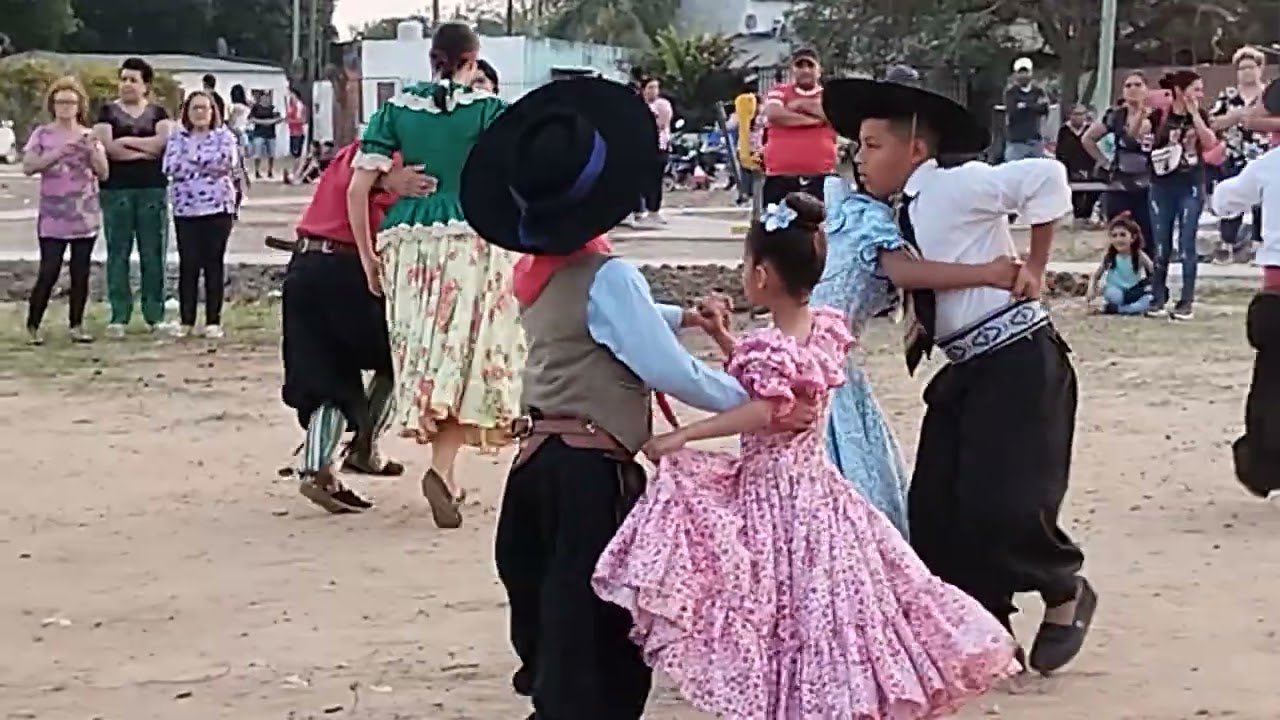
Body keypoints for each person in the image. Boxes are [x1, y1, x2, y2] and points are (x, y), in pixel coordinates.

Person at [465, 75, 823, 720]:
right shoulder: (609, 275)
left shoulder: (538, 273)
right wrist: (758, 397)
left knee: (548, 614)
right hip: (591, 474)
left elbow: (608, 320)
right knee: (593, 634)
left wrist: (684, 315)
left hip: (536, 464)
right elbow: (667, 369)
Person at [593, 193, 1019, 718]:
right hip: (816, 494)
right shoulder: (819, 328)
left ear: (763, 275)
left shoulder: (777, 343)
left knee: (782, 612)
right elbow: (771, 382)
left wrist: (687, 435)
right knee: (821, 611)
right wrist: (725, 337)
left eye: (746, 266)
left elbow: (769, 406)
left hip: (778, 501)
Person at [823, 74, 1097, 675]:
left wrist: (1037, 265)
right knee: (937, 508)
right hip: (967, 366)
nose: (860, 158)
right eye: (858, 146)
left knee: (1003, 502)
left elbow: (1047, 177)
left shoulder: (956, 185)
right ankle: (984, 628)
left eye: (872, 145)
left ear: (914, 149)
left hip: (1017, 359)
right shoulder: (895, 213)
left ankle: (1063, 589)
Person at [348, 22, 522, 529]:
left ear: (431, 58)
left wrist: (367, 257)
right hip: (473, 237)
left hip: (406, 243)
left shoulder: (395, 110)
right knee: (466, 357)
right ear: (473, 59)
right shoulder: (489, 110)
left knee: (428, 354)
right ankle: (444, 472)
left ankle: (446, 473)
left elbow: (355, 191)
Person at [278, 139, 434, 512]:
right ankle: (362, 443)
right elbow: (365, 186)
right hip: (347, 269)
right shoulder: (395, 157)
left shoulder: (359, 149)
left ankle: (318, 465)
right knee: (400, 352)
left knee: (325, 372)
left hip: (305, 265)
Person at [1211, 77, 1280, 499]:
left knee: (1271, 386)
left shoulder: (1269, 165)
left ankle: (1265, 463)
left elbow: (1224, 202)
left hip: (1277, 293)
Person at [22, 76, 108, 346]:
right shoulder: (42, 134)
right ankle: (33, 324)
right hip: (53, 214)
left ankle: (77, 325)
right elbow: (29, 166)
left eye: (71, 102)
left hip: (84, 213)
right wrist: (59, 152)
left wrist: (91, 150)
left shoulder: (88, 134)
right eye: (60, 102)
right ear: (53, 105)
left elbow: (104, 172)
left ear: (79, 105)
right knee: (49, 269)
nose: (65, 107)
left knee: (80, 271)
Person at [92, 56, 173, 338]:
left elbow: (162, 145)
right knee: (118, 252)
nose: (127, 84)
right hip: (117, 190)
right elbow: (108, 148)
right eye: (123, 79)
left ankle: (155, 314)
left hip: (152, 188)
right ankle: (119, 314)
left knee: (154, 251)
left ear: (145, 85)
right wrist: (144, 148)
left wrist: (127, 142)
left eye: (133, 80)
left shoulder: (158, 113)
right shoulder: (107, 112)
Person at [162, 91, 240, 339]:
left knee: (213, 264)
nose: (200, 113)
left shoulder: (225, 137)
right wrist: (204, 164)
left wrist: (192, 162)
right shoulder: (177, 136)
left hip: (217, 208)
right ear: (187, 111)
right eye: (195, 108)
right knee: (189, 264)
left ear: (213, 111)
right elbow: (170, 166)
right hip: (186, 209)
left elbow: (225, 163)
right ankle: (186, 320)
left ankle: (213, 320)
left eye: (204, 108)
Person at [1147, 69, 1220, 321]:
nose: (1200, 93)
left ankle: (1186, 301)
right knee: (1161, 244)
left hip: (1190, 184)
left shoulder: (1200, 115)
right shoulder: (1160, 115)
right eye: (1196, 88)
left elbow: (1210, 143)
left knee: (1187, 242)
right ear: (1180, 90)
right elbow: (1144, 139)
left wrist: (1194, 115)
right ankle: (1157, 297)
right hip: (1162, 185)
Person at [1083, 71, 1156, 257]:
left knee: (1148, 236)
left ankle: (1149, 279)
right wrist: (1104, 162)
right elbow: (1088, 139)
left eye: (1138, 85)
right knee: (1118, 235)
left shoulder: (1157, 116)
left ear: (1147, 90)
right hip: (1119, 183)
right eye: (1128, 85)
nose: (1132, 89)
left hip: (1148, 184)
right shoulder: (1115, 116)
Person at [1210, 46, 1269, 263]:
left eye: (1250, 67)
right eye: (1242, 68)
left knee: (1262, 201)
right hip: (1233, 154)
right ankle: (1227, 243)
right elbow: (1213, 123)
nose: (1246, 72)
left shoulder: (1268, 94)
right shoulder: (1228, 96)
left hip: (1262, 154)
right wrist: (1233, 117)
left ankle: (1257, 244)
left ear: (1260, 69)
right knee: (1231, 196)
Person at [761, 47, 837, 204]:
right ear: (792, 70)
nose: (805, 70)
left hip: (820, 177)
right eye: (799, 66)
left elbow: (835, 116)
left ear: (819, 70)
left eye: (810, 65)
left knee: (820, 226)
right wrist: (813, 120)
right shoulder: (779, 91)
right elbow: (774, 114)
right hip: (780, 176)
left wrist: (801, 104)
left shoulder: (829, 95)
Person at [1084, 213, 1155, 315]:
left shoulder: (1139, 255)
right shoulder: (1110, 256)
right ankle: (1126, 308)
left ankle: (1119, 309)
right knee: (1113, 295)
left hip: (1133, 292)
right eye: (1114, 236)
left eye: (1123, 235)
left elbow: (1153, 270)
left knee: (1149, 299)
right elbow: (1096, 275)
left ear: (1133, 237)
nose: (1118, 239)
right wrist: (1091, 289)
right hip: (1116, 291)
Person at [633, 76, 673, 225]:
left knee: (655, 180)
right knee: (637, 180)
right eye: (650, 87)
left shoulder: (662, 105)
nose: (654, 91)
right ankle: (637, 211)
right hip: (639, 146)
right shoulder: (636, 104)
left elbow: (662, 124)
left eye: (656, 87)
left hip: (659, 145)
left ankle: (654, 210)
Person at [1056, 103, 1100, 225]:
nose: (1078, 117)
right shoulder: (1064, 131)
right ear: (1070, 116)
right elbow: (1061, 152)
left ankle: (1087, 216)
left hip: (1089, 168)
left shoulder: (1090, 131)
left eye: (1081, 114)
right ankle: (1077, 217)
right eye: (1075, 114)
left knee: (1092, 192)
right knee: (1075, 196)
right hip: (1070, 168)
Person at [1004, 57, 1049, 161]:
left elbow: (1044, 109)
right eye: (1020, 73)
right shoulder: (1011, 93)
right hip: (1016, 142)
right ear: (1016, 75)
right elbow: (1012, 110)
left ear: (1031, 73)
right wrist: (1033, 106)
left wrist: (1025, 105)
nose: (1023, 75)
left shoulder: (1039, 92)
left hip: (1035, 141)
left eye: (1026, 72)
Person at [731, 79, 763, 208]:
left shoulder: (741, 109)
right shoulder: (764, 110)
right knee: (759, 175)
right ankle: (758, 198)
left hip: (744, 146)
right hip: (760, 146)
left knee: (745, 173)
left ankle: (746, 196)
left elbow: (730, 125)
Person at [248, 91, 282, 179]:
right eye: (264, 97)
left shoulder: (273, 108)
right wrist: (267, 122)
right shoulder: (256, 108)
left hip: (270, 134)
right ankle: (256, 171)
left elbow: (279, 119)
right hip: (259, 134)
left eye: (268, 97)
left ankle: (270, 171)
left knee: (271, 154)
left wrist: (261, 121)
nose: (266, 99)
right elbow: (251, 119)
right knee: (257, 154)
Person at [285, 88, 307, 179]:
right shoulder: (292, 105)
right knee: (294, 154)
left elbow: (301, 120)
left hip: (297, 132)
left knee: (296, 155)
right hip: (292, 132)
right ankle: (293, 172)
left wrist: (290, 120)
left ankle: (295, 173)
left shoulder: (299, 105)